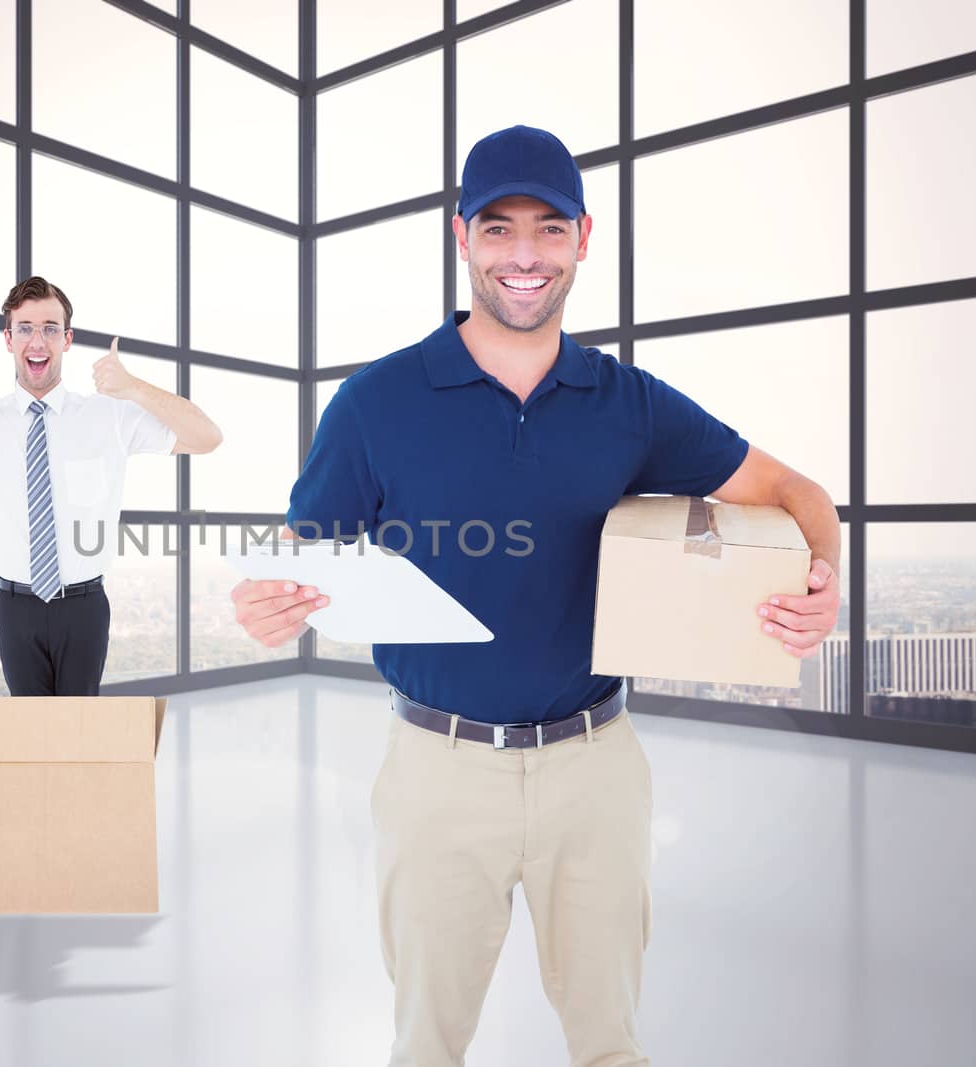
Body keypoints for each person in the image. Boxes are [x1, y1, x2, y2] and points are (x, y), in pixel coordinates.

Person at [230, 126, 841, 1066]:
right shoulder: (375, 402)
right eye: (500, 227)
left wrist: (824, 578)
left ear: (584, 239)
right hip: (437, 770)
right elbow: (302, 556)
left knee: (611, 1046)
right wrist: (266, 604)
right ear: (460, 237)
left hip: (595, 767)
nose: (524, 254)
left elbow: (797, 493)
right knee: (425, 1045)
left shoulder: (628, 403)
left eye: (548, 229)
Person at [0, 275, 222, 696]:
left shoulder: (109, 417)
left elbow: (207, 438)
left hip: (85, 606)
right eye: (26, 328)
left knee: (81, 738)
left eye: (51, 328)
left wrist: (133, 388)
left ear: (67, 340)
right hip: (16, 608)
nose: (38, 340)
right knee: (29, 741)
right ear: (9, 339)